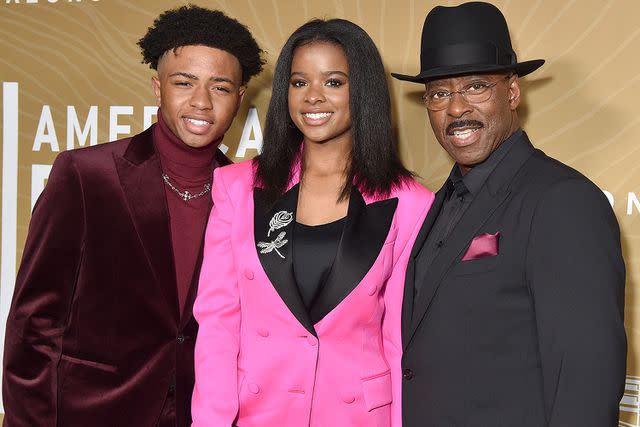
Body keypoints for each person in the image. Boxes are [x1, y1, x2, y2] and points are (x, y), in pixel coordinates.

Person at [2, 6, 263, 427]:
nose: (201, 101)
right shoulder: (86, 175)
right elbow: (34, 326)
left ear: (238, 97)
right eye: (184, 83)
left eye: (220, 87)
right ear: (158, 88)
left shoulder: (250, 197)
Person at [391, 2, 626, 426]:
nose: (456, 109)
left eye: (476, 86)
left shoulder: (564, 201)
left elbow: (585, 383)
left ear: (512, 92)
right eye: (440, 93)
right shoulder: (439, 201)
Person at [191, 18, 434, 427]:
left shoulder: (410, 203)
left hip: (357, 416)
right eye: (299, 82)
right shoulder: (237, 188)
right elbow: (218, 322)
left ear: (363, 92)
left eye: (334, 82)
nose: (313, 98)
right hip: (258, 413)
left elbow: (398, 341)